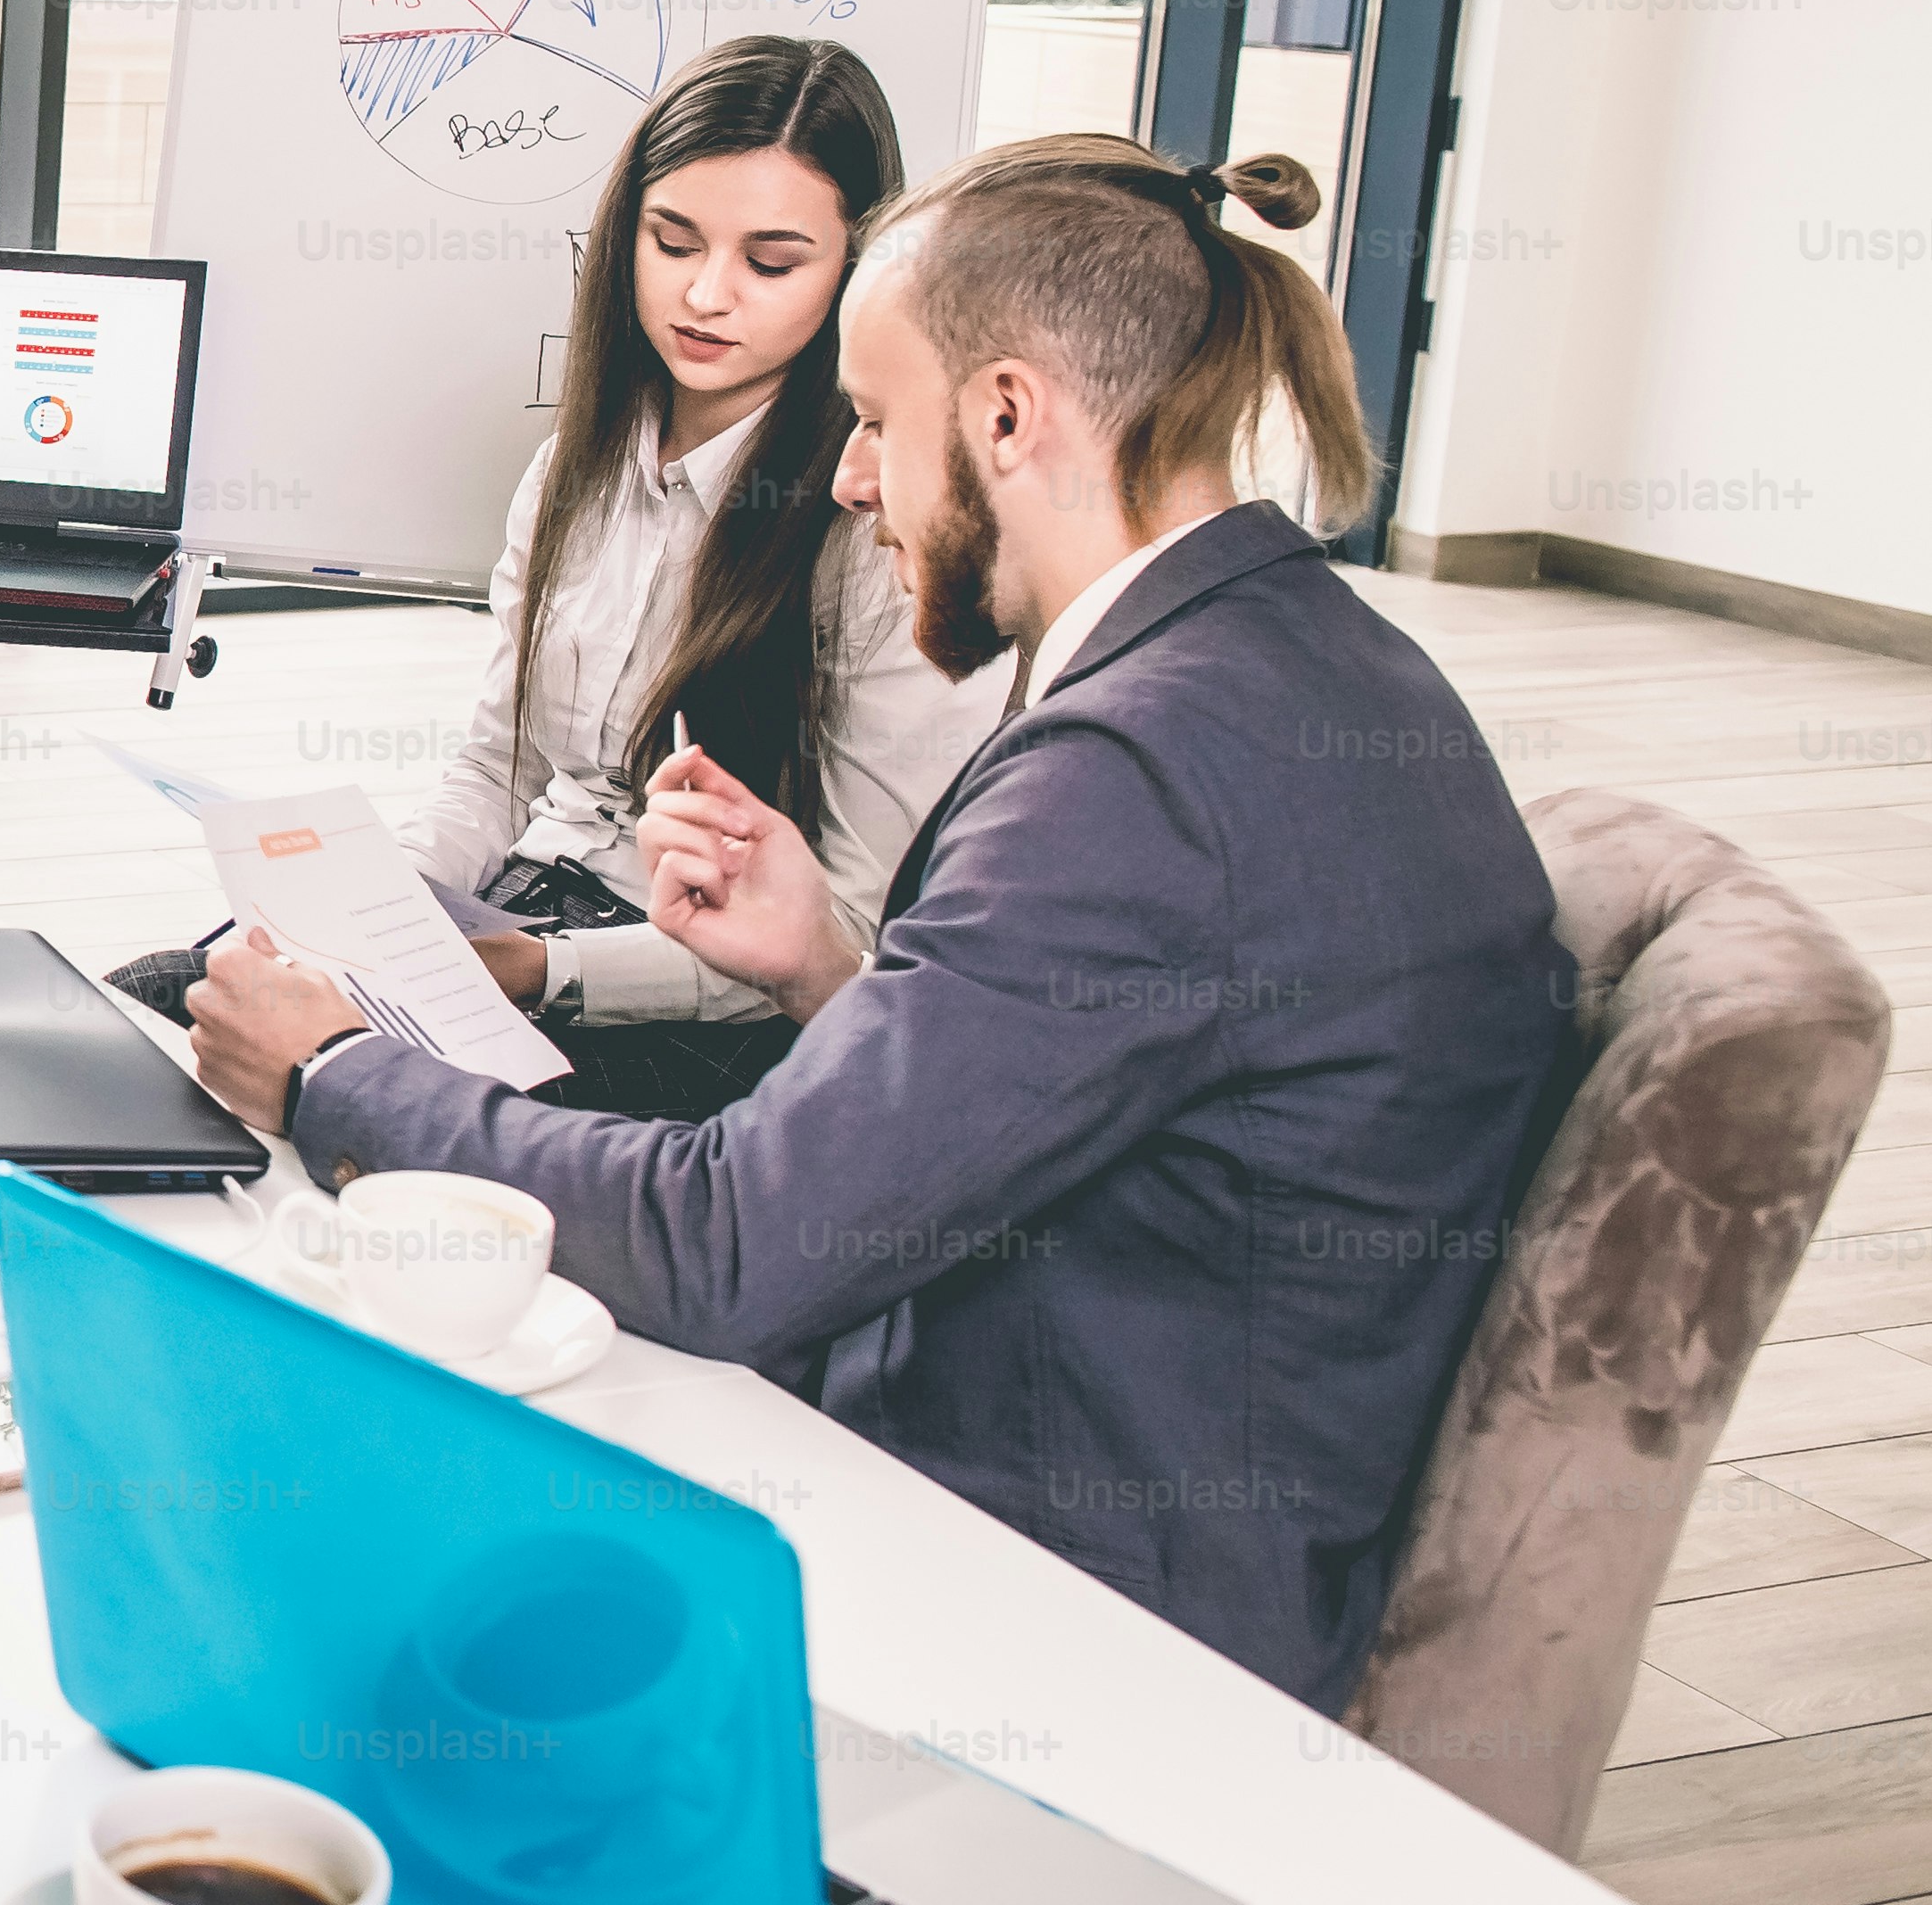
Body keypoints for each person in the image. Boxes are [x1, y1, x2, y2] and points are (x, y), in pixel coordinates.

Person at [183, 136, 1569, 1711]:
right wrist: (828, 967)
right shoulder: (1294, 661)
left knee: (312, 1532)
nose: (844, 478)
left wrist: (336, 1073)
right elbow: (1114, 1095)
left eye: (868, 419)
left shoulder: (1140, 767)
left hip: (1058, 1596)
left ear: (1000, 414)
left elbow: (734, 1246)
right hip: (1113, 1453)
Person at [110, 37, 991, 1117]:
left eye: (770, 264)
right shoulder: (573, 468)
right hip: (522, 920)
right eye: (672, 242)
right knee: (155, 1000)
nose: (706, 295)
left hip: (705, 1007)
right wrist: (376, 895)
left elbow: (849, 934)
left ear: (853, 272)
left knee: (320, 1093)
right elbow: (499, 768)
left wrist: (543, 971)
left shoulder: (875, 527)